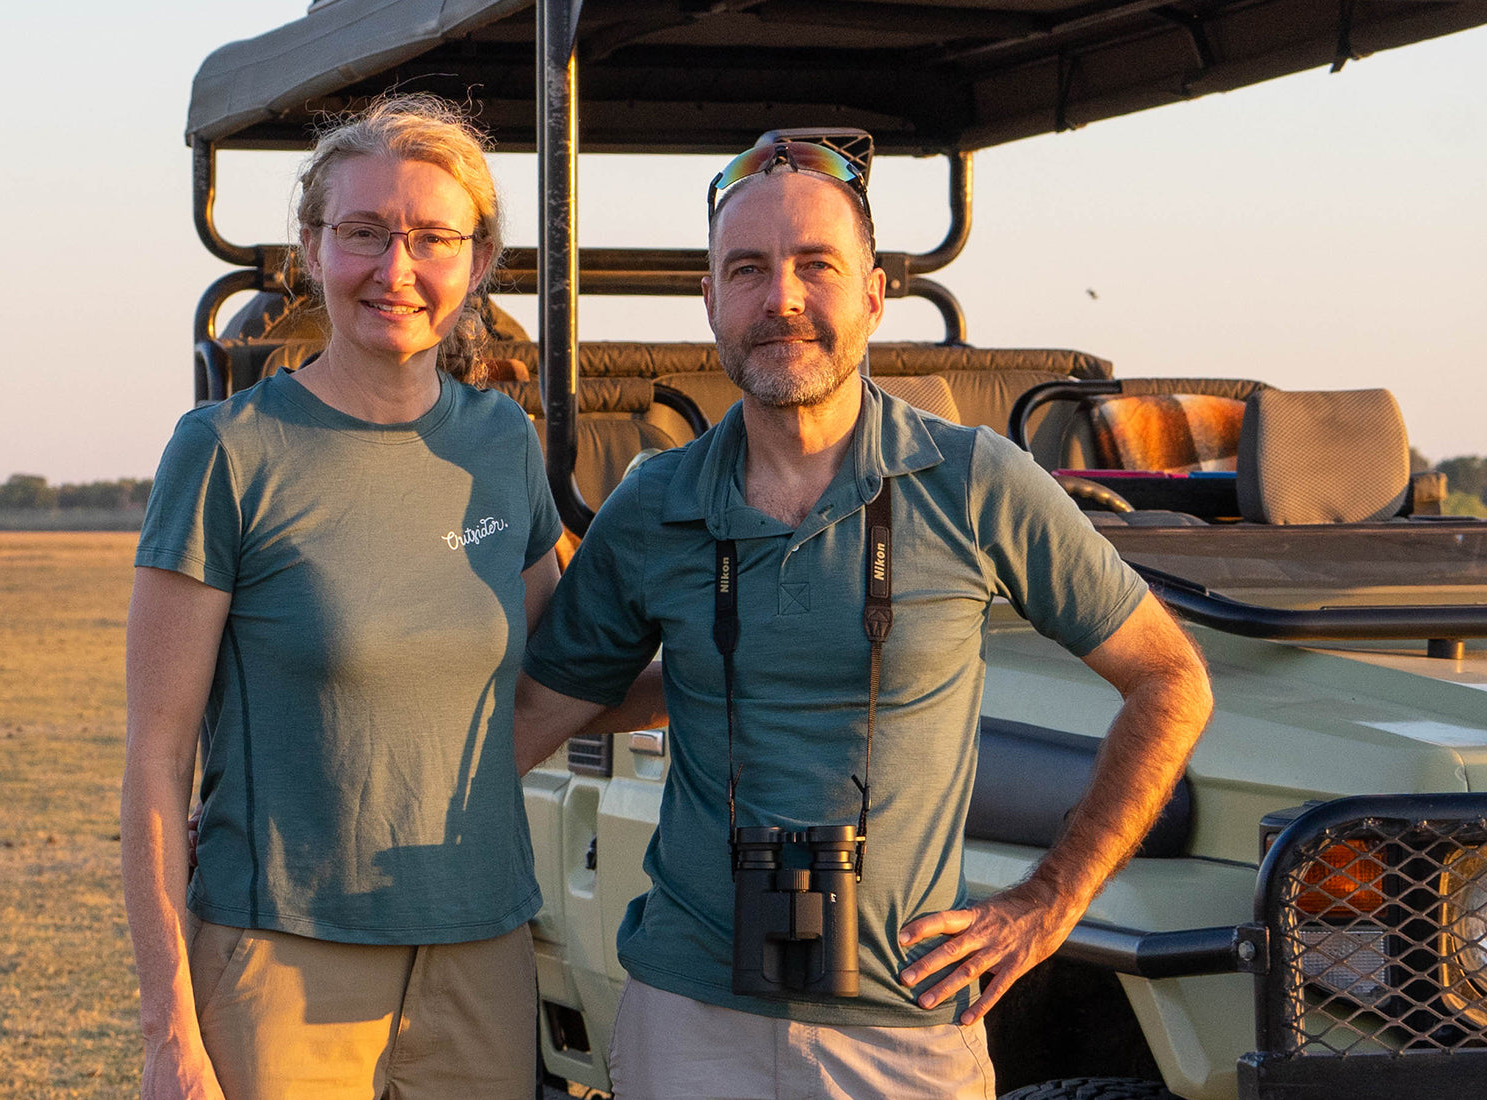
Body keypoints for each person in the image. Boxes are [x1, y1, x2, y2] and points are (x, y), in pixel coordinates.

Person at [514, 139, 1214, 1099]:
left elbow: (1170, 678)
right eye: (747, 270)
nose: (782, 299)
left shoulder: (976, 481)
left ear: (876, 295)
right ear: (711, 301)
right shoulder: (654, 503)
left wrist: (1051, 901)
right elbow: (537, 714)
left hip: (906, 1034)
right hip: (689, 1021)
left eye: (816, 266)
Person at [122, 95, 575, 1100]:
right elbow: (156, 757)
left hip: (482, 950)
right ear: (313, 246)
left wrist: (735, 661)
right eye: (365, 233)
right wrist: (168, 1033)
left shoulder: (503, 445)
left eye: (431, 239)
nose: (396, 270)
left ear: (480, 255)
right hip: (282, 953)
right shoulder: (228, 452)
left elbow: (560, 672)